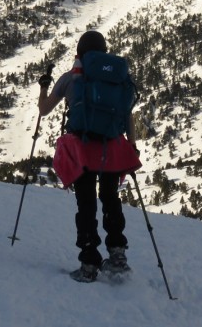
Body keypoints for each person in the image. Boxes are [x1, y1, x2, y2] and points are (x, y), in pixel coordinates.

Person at [38, 30, 142, 282]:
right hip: (112, 149)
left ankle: (88, 263)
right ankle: (117, 255)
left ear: (79, 54)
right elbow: (127, 114)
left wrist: (43, 87)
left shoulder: (71, 78)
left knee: (86, 203)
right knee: (110, 199)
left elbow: (44, 110)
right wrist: (132, 144)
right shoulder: (119, 77)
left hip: (82, 149)